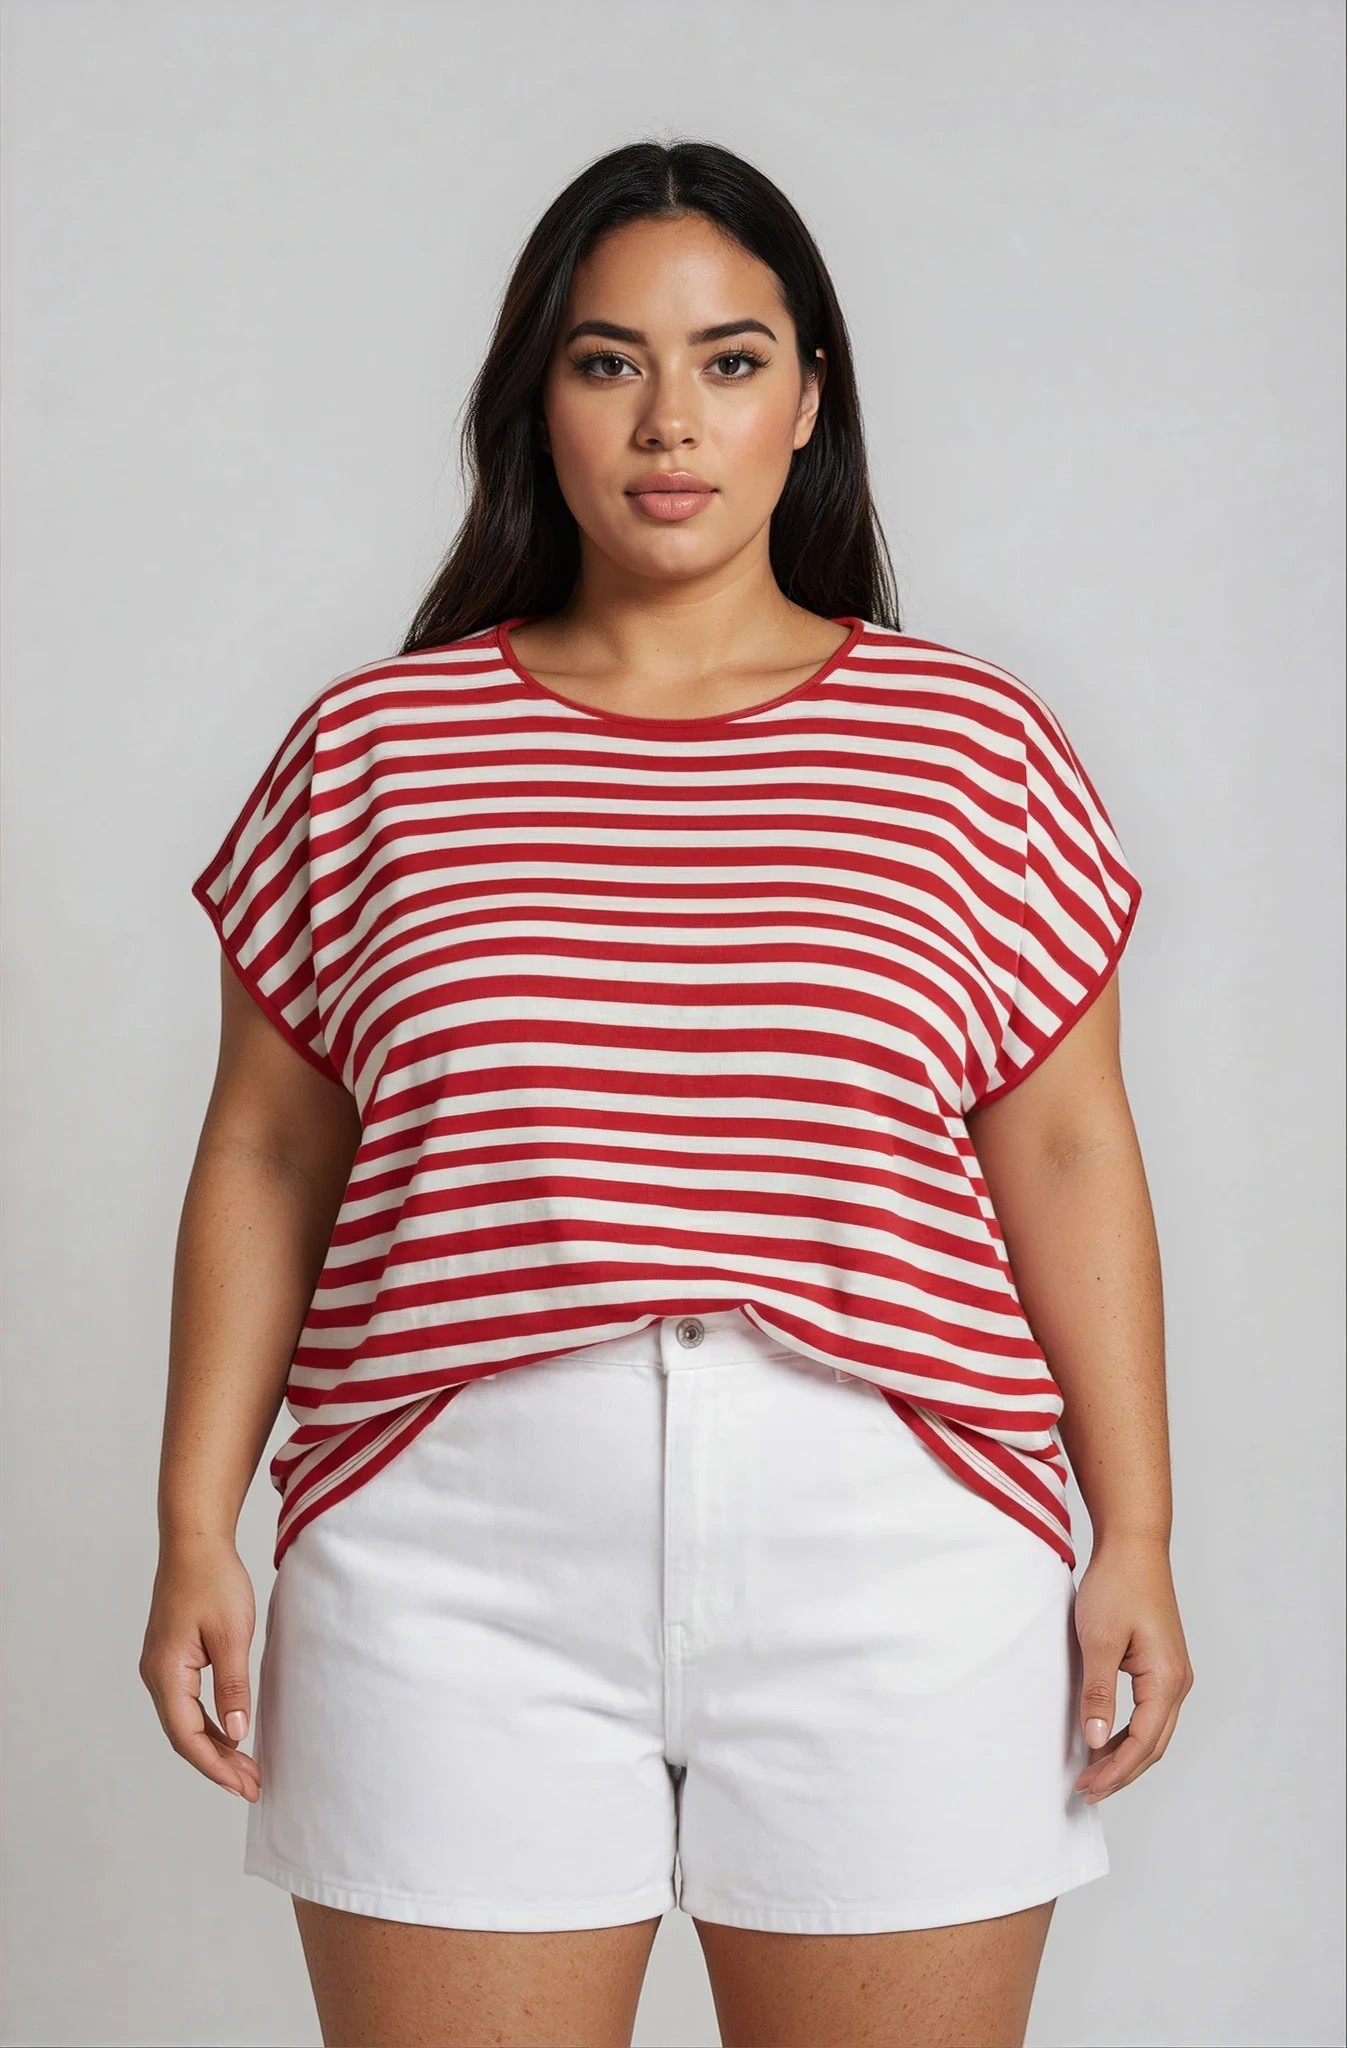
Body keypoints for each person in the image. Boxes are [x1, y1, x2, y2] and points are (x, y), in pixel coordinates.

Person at [140, 137, 1193, 2048]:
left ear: (811, 401)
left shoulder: (971, 743)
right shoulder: (378, 746)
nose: (669, 422)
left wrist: (1138, 1533)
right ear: (533, 400)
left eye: (729, 360)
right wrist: (195, 1524)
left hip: (900, 1540)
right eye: (607, 360)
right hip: (450, 1555)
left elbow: (1063, 1142)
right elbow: (272, 1145)